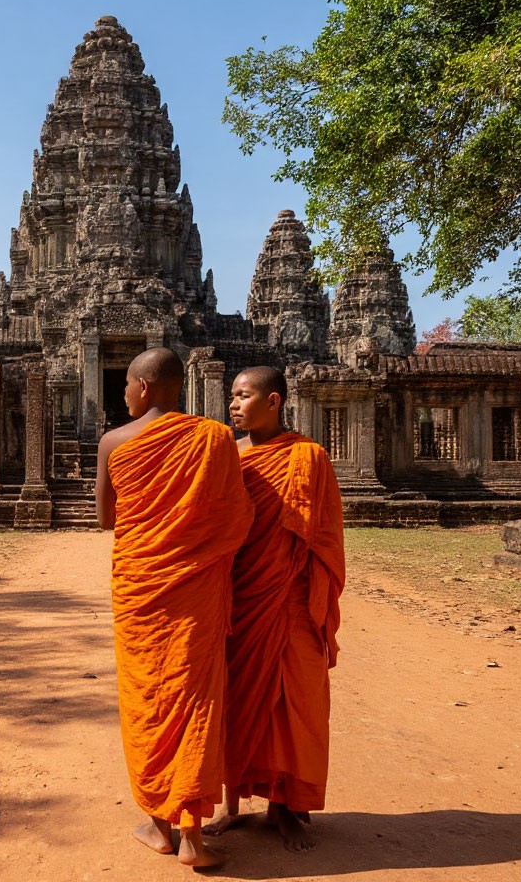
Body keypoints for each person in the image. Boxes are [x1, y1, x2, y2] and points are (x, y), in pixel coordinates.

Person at [95, 347, 253, 869]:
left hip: (143, 586)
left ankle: (158, 826)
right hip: (197, 589)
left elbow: (106, 519)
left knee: (148, 698)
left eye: (124, 388)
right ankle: (193, 838)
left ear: (140, 387)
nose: (122, 394)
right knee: (195, 697)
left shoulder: (114, 442)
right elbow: (236, 517)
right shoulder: (214, 437)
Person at [205, 365, 345, 851]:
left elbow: (324, 536)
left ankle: (283, 807)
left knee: (296, 704)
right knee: (235, 699)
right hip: (239, 594)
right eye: (232, 397)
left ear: (274, 401)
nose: (234, 405)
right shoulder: (224, 455)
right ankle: (230, 803)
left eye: (244, 396)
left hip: (290, 599)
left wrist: (313, 592)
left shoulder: (309, 457)